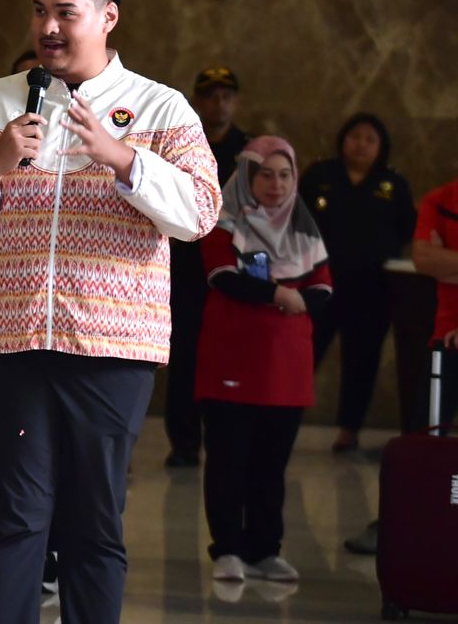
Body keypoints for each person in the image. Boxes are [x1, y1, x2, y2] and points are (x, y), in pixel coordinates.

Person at [0, 0, 220, 624]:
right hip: (5, 345)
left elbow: (200, 212)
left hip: (111, 351)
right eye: (39, 11)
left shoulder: (159, 107)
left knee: (92, 525)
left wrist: (123, 159)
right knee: (9, 522)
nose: (47, 27)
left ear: (108, 17)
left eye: (65, 13)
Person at [195, 137, 331, 584]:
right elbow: (222, 275)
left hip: (286, 368)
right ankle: (227, 549)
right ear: (247, 178)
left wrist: (298, 299)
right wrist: (279, 294)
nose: (276, 184)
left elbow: (323, 285)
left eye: (285, 175)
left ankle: (265, 550)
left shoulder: (303, 225)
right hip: (233, 361)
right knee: (228, 462)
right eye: (266, 175)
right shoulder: (223, 222)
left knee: (271, 466)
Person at [301, 113, 416, 452]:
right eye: (355, 136)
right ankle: (282, 419)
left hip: (371, 290)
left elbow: (406, 228)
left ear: (381, 147)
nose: (361, 144)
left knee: (361, 361)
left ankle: (349, 430)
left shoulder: (393, 184)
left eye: (370, 139)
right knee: (303, 354)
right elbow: (296, 220)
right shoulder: (320, 175)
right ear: (342, 140)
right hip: (318, 285)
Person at [164, 65, 250, 468]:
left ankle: (226, 441)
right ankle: (183, 442)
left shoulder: (249, 151)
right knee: (183, 358)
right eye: (211, 96)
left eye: (226, 96)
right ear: (197, 101)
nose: (219, 104)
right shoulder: (182, 142)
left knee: (228, 357)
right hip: (185, 265)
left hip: (233, 270)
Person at [414, 175, 458, 425]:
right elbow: (423, 260)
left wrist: (446, 259)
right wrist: (435, 260)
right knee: (427, 432)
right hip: (446, 337)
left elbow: (437, 261)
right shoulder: (440, 200)